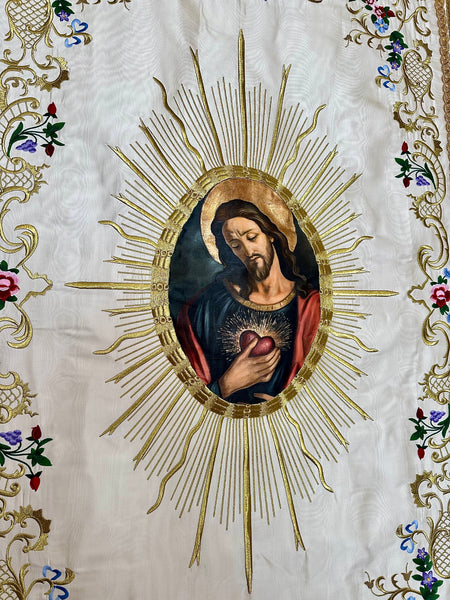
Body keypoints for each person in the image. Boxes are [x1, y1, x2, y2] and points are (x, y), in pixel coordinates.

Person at [176, 199, 320, 404]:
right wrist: (226, 385)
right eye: (236, 246)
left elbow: (325, 382)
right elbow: (183, 394)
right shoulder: (205, 308)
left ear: (270, 234)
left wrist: (288, 406)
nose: (248, 252)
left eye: (252, 237)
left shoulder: (310, 307)